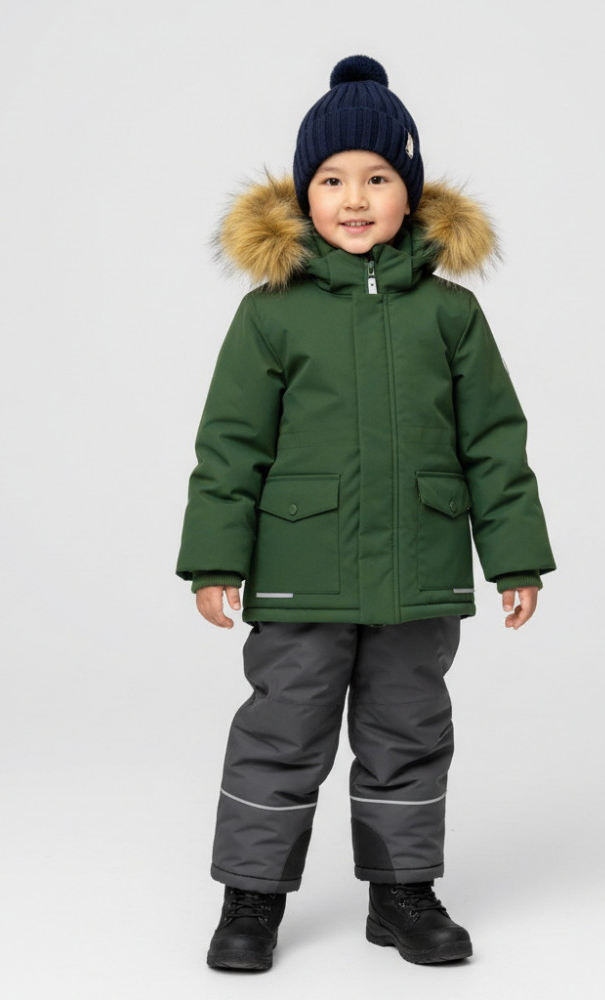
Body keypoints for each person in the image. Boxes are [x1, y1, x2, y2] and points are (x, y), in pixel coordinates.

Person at [176, 54, 555, 971]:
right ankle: (251, 899)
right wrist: (215, 560)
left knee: (410, 731)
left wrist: (514, 558)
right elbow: (230, 445)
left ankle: (402, 893)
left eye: (378, 178)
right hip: (299, 573)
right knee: (282, 730)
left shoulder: (452, 315)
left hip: (417, 574)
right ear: (302, 195)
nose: (355, 199)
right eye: (333, 179)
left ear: (410, 193)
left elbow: (493, 441)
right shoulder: (271, 315)